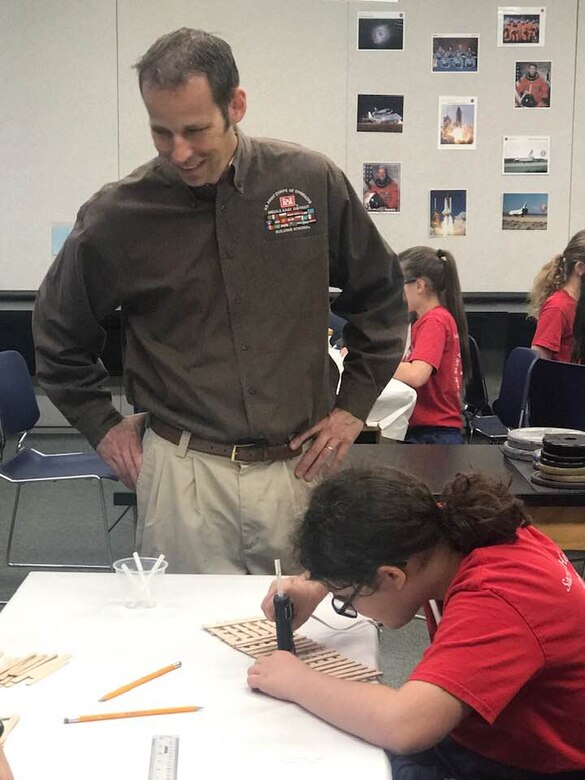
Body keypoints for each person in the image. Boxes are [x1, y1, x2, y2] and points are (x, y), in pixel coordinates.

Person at [32, 28, 406, 574]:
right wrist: (102, 425)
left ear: (237, 105)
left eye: (195, 130)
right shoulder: (118, 216)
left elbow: (381, 297)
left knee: (307, 642)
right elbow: (57, 335)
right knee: (189, 648)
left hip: (297, 469)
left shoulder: (309, 182)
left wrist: (351, 411)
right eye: (161, 132)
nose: (179, 152)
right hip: (184, 480)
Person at [248, 466, 585, 779]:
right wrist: (315, 583)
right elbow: (376, 532)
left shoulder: (497, 600)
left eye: (346, 599)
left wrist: (296, 680)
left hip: (537, 766)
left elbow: (406, 726)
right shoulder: (443, 531)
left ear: (392, 576)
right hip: (494, 736)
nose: (350, 606)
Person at [393, 247, 470, 444]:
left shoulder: (434, 321)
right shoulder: (429, 319)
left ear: (419, 286)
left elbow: (416, 375)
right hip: (432, 429)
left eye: (398, 284)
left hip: (434, 434)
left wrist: (372, 363)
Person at [529, 230, 585, 363]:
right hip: (567, 382)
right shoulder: (557, 307)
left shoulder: (580, 304)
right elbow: (540, 365)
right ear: (580, 268)